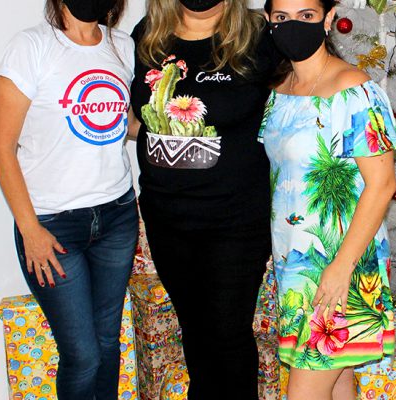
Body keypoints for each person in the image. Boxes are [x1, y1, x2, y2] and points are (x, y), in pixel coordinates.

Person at [128, 1, 280, 398]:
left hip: (235, 220)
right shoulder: (148, 35)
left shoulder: (258, 35)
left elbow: (303, 91)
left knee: (228, 334)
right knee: (195, 330)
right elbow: (137, 117)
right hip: (166, 218)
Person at [0, 1, 137, 398]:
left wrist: (176, 124)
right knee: (82, 355)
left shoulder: (123, 46)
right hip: (53, 226)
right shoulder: (31, 47)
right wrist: (30, 230)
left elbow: (122, 122)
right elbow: (1, 147)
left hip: (117, 215)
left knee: (107, 341)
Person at [259, 0, 396, 399]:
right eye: (281, 18)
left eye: (306, 15)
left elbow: (382, 184)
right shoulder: (280, 89)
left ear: (328, 18)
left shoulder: (354, 90)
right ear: (268, 21)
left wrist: (341, 267)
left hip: (340, 265)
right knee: (338, 381)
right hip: (298, 266)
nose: (293, 26)